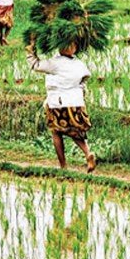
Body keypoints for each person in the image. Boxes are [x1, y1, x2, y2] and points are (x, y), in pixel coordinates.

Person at [26, 40, 96, 172]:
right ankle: (88, 154)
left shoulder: (55, 63)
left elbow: (36, 65)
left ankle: (63, 166)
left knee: (56, 132)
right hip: (77, 103)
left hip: (58, 103)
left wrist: (31, 51)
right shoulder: (79, 64)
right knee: (76, 132)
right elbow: (84, 80)